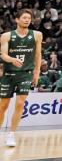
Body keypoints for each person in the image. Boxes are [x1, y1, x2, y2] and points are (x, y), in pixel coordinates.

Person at [0, 9, 42, 147]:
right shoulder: (6, 36)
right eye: (24, 17)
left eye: (29, 18)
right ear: (17, 20)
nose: (27, 20)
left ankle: (11, 135)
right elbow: (3, 55)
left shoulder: (37, 35)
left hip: (25, 73)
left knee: (20, 103)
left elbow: (38, 55)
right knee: (3, 106)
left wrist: (37, 72)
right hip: (8, 74)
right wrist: (12, 59)